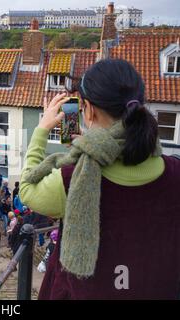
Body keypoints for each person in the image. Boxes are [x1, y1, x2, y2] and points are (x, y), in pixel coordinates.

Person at [20, 59, 180, 299]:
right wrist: (91, 141)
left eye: (82, 108)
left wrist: (42, 129)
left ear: (89, 110)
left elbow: (27, 190)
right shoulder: (174, 171)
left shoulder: (74, 178)